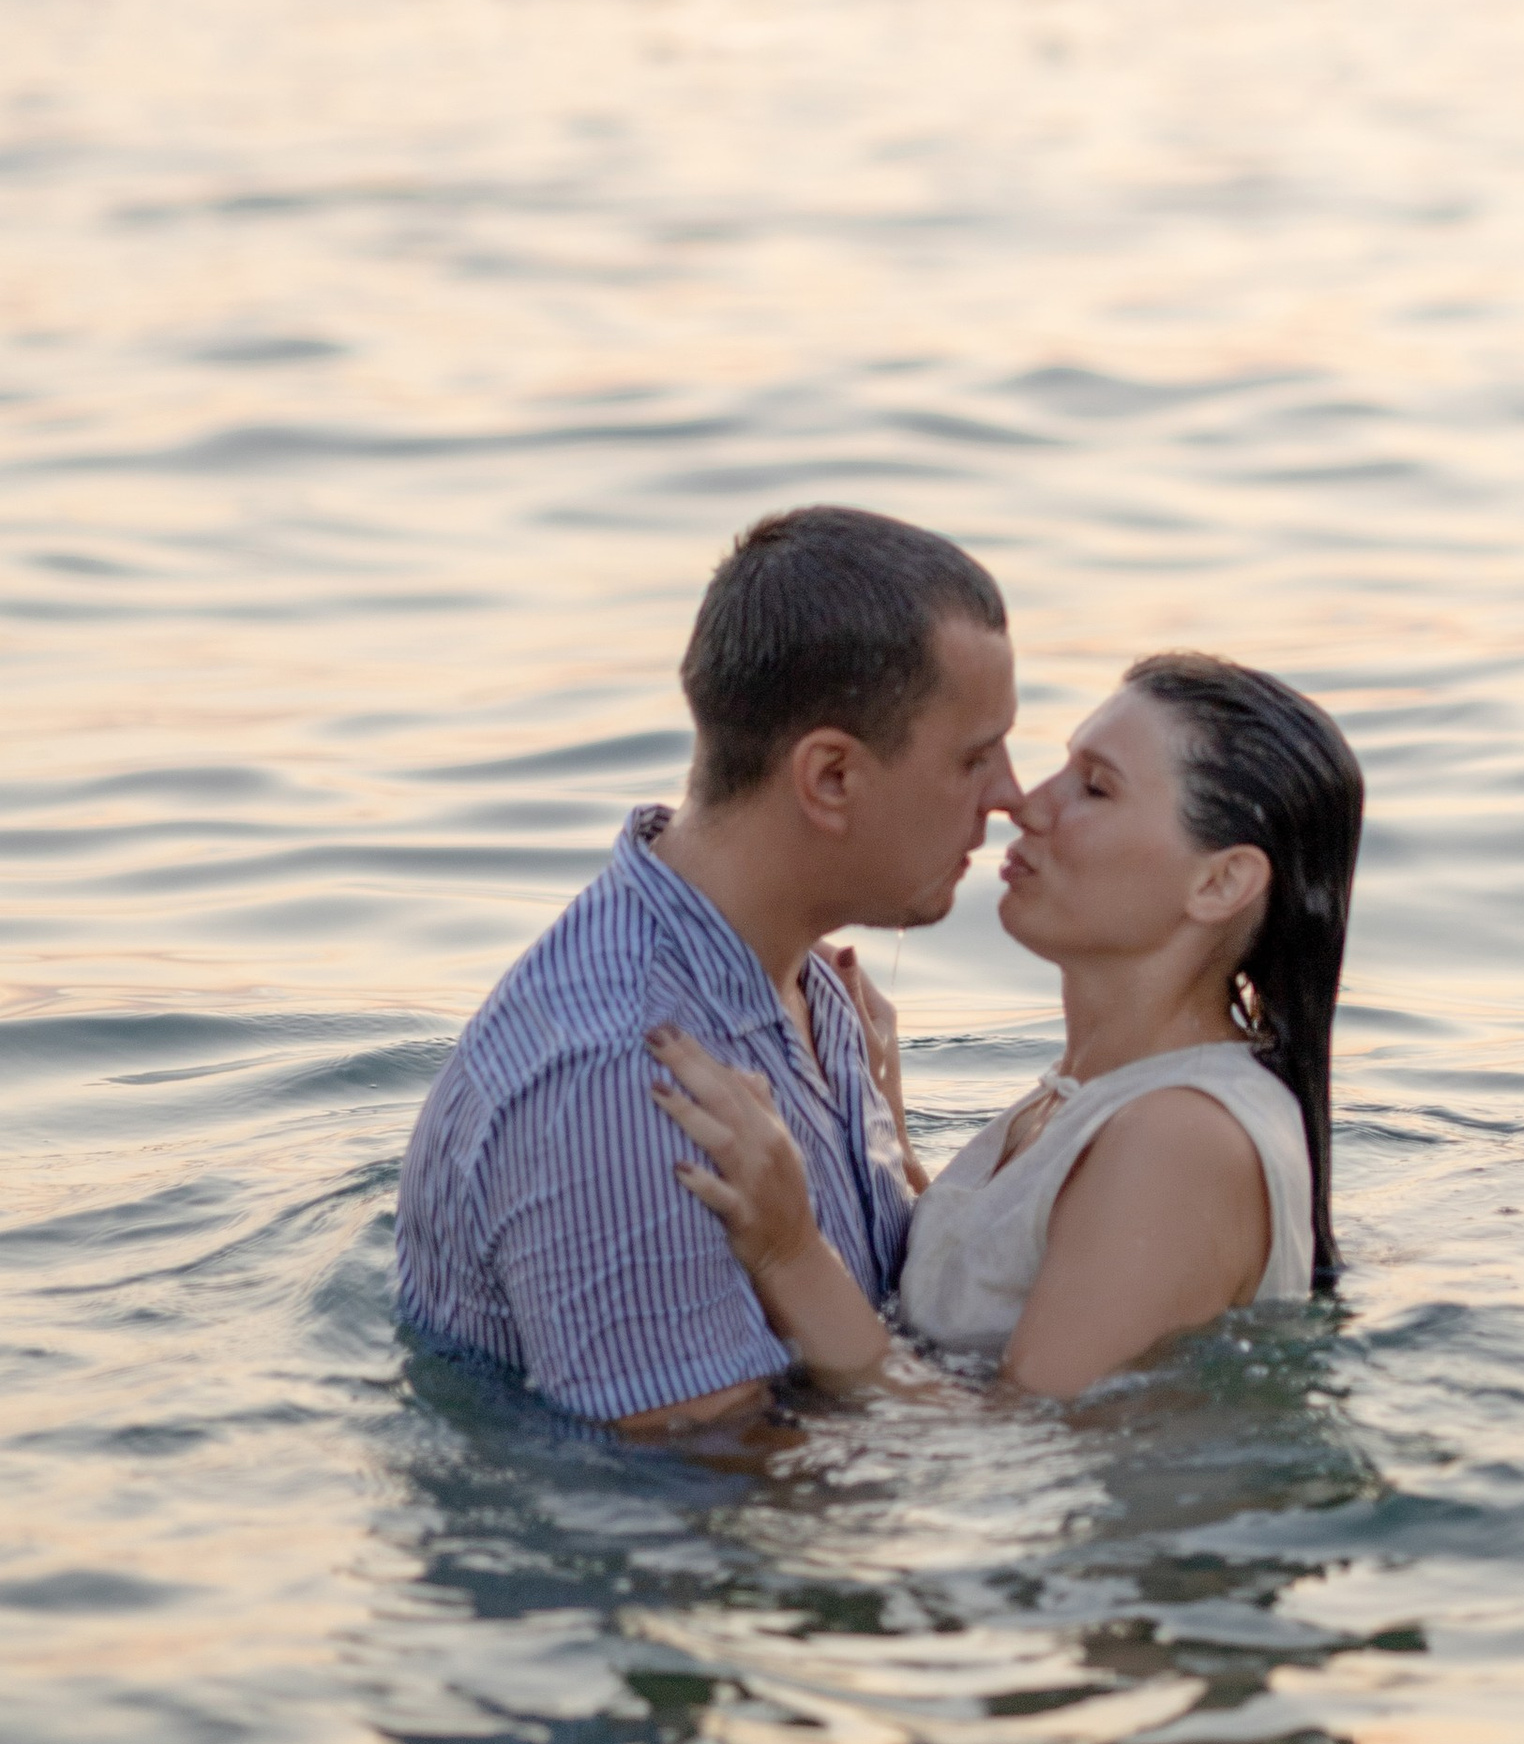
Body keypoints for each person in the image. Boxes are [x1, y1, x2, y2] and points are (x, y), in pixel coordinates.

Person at [395, 505, 1023, 1436]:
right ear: (831, 780)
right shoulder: (629, 1083)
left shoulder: (810, 982)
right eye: (975, 757)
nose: (1012, 794)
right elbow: (712, 1527)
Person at [646, 651, 1363, 1399]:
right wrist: (880, 1122)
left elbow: (1008, 1460)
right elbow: (992, 1291)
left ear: (1219, 881)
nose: (1026, 803)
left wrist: (787, 1253)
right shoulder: (1100, 1092)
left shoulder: (1179, 1138)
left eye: (1094, 786)